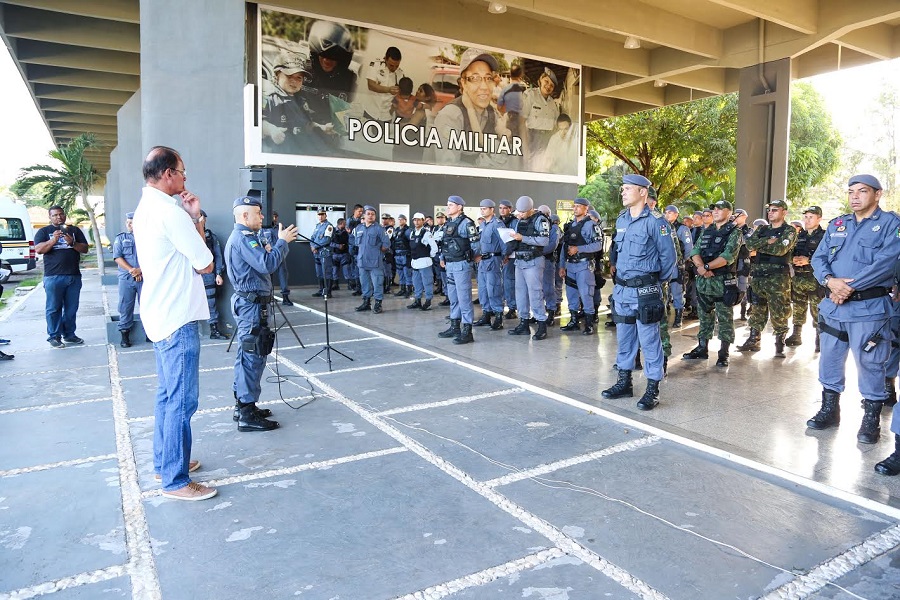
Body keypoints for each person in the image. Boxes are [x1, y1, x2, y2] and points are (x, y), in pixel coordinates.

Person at [132, 146, 216, 501]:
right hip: (177, 316)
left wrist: (191, 217)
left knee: (168, 397)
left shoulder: (147, 207)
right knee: (181, 401)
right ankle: (176, 480)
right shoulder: (170, 213)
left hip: (161, 313)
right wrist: (196, 220)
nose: (184, 179)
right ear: (167, 173)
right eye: (182, 172)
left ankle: (164, 462)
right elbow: (205, 263)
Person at [809, 175, 900, 451]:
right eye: (851, 192)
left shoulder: (890, 224)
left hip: (868, 308)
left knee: (871, 363)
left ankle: (870, 419)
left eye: (862, 191)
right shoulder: (838, 223)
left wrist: (849, 288)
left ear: (877, 194)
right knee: (830, 359)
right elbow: (818, 257)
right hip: (834, 307)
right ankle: (830, 409)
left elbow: (886, 263)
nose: (855, 197)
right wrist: (829, 282)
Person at [601, 174, 677, 411]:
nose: (622, 192)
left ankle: (652, 388)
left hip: (645, 291)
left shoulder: (657, 222)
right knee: (624, 338)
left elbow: (669, 258)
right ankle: (624, 382)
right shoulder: (622, 219)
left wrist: (654, 282)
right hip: (623, 290)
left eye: (627, 189)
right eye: (622, 189)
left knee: (650, 339)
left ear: (643, 192)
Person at [226, 196, 298, 432]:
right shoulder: (243, 238)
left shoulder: (248, 238)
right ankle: (246, 412)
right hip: (251, 306)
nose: (262, 216)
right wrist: (282, 242)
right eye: (258, 212)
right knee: (252, 356)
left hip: (252, 305)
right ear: (245, 216)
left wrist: (271, 247)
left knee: (248, 354)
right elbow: (267, 264)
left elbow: (261, 263)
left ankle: (244, 405)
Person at [683, 200, 743, 367]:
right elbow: (695, 251)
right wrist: (701, 267)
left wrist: (707, 267)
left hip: (723, 282)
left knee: (725, 318)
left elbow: (727, 256)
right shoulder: (707, 230)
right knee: (704, 317)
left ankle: (723, 353)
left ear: (729, 213)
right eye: (714, 209)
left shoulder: (734, 232)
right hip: (704, 282)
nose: (715, 211)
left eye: (720, 209)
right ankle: (702, 348)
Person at [737, 199, 797, 357]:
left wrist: (760, 246)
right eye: (769, 210)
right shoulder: (762, 229)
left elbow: (781, 249)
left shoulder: (789, 230)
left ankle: (779, 344)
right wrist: (767, 241)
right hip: (758, 277)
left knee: (779, 312)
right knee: (757, 310)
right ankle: (753, 340)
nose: (770, 213)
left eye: (775, 210)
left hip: (778, 279)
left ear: (784, 212)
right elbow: (749, 245)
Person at [434, 49, 511, 167]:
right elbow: (449, 170)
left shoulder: (492, 114)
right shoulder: (451, 116)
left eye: (488, 78)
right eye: (475, 78)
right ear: (463, 83)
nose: (484, 86)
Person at [262, 48, 334, 155]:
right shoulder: (269, 97)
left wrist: (322, 127)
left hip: (300, 153)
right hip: (278, 156)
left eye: (299, 78)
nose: (294, 81)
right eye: (289, 76)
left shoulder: (301, 100)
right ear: (277, 75)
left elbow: (306, 125)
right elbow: (259, 123)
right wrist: (271, 130)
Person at [34, 205, 88, 348]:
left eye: (61, 214)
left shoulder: (74, 230)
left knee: (71, 308)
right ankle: (54, 336)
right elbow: (39, 250)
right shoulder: (44, 231)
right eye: (55, 215)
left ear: (64, 215)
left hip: (73, 276)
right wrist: (53, 240)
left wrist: (72, 243)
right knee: (53, 308)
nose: (59, 217)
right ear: (50, 217)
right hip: (53, 276)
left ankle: (69, 334)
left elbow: (85, 249)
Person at [507, 196, 551, 340]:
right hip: (519, 261)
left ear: (531, 209)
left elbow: (544, 240)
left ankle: (541, 324)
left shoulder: (541, 220)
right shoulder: (519, 220)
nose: (520, 214)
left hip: (533, 261)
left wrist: (523, 238)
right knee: (520, 294)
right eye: (519, 211)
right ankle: (523, 323)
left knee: (535, 294)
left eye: (523, 212)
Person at [438, 196, 479, 344]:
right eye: (447, 204)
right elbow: (445, 243)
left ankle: (467, 331)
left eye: (450, 205)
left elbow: (476, 244)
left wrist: (472, 258)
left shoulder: (467, 223)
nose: (447, 207)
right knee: (453, 297)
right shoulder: (449, 223)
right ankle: (455, 325)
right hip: (449, 264)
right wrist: (442, 257)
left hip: (461, 264)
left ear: (459, 207)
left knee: (464, 298)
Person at [559, 197, 602, 334]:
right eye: (574, 206)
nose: (575, 208)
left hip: (584, 265)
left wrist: (579, 249)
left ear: (586, 209)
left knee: (585, 294)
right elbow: (564, 247)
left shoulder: (591, 225)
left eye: (579, 206)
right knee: (571, 295)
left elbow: (598, 245)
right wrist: (561, 266)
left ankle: (589, 324)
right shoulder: (570, 225)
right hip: (570, 265)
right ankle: (573, 321)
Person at [785, 205, 825, 350]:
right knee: (798, 307)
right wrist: (793, 259)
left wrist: (809, 260)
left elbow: (829, 256)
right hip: (799, 278)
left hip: (815, 279)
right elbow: (788, 252)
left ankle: (820, 338)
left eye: (811, 217)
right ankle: (796, 335)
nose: (807, 220)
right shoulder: (798, 236)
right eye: (806, 217)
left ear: (819, 219)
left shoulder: (825, 236)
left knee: (818, 310)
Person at [303, 20, 357, 127]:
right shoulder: (303, 73)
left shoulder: (349, 80)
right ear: (315, 53)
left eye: (333, 58)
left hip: (333, 134)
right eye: (323, 56)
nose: (327, 61)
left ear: (341, 60)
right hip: (306, 132)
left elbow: (353, 111)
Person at [473, 199, 505, 330]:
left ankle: (498, 316)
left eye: (485, 208)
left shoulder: (497, 224)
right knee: (483, 290)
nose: (482, 210)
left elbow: (505, 243)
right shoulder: (482, 225)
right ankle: (486, 314)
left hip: (493, 260)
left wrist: (504, 257)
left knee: (494, 289)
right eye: (481, 208)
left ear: (492, 209)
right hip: (482, 261)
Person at [112, 212, 143, 348]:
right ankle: (125, 335)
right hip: (127, 277)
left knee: (148, 305)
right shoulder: (121, 238)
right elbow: (117, 257)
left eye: (132, 222)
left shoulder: (148, 237)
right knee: (125, 306)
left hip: (145, 276)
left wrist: (140, 270)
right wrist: (132, 270)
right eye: (128, 222)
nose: (129, 224)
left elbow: (154, 257)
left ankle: (151, 333)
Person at [352, 205, 390, 314]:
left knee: (377, 283)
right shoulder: (359, 228)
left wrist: (378, 252)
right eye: (368, 214)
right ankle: (366, 303)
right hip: (362, 262)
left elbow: (386, 243)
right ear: (364, 215)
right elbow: (356, 244)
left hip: (375, 262)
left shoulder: (379, 229)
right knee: (364, 283)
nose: (370, 216)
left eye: (373, 214)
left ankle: (378, 304)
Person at [522, 67, 560, 168]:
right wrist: (525, 148)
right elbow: (521, 122)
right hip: (533, 139)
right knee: (530, 168)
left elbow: (557, 126)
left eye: (551, 85)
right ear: (540, 80)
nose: (548, 86)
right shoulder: (530, 95)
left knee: (545, 169)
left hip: (548, 140)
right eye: (546, 81)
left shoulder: (553, 103)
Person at [198, 210, 228, 340]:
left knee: (211, 303)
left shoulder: (210, 236)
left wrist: (219, 274)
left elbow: (218, 256)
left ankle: (214, 330)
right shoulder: (186, 235)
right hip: (191, 276)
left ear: (204, 219)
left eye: (201, 218)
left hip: (208, 274)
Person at [663, 204, 693, 328]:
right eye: (666, 212)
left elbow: (688, 248)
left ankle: (678, 317)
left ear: (676, 215)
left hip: (676, 265)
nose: (667, 214)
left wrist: (682, 261)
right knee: (663, 291)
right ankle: (663, 315)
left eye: (670, 212)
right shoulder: (662, 226)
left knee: (677, 291)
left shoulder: (682, 229)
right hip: (664, 265)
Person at [362, 46, 403, 121]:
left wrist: (392, 109)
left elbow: (400, 95)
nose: (394, 68)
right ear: (385, 59)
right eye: (391, 65)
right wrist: (388, 90)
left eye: (397, 66)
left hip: (386, 115)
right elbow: (371, 85)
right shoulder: (375, 65)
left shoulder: (400, 73)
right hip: (371, 111)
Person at [407, 212, 439, 311]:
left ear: (423, 221)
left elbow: (434, 248)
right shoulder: (412, 233)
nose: (416, 222)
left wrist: (429, 256)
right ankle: (417, 300)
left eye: (418, 220)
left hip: (425, 263)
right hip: (415, 263)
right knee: (416, 283)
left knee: (427, 283)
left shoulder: (426, 233)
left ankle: (428, 301)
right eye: (415, 220)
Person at [262, 211, 293, 306]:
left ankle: (285, 297)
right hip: (269, 257)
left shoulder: (280, 229)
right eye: (273, 217)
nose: (274, 219)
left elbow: (284, 243)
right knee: (268, 278)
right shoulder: (263, 229)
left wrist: (283, 255)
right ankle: (269, 296)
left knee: (283, 277)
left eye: (276, 217)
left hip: (280, 256)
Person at [498, 199, 518, 319]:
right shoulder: (498, 221)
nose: (502, 210)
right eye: (500, 208)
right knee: (499, 283)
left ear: (510, 209)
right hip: (499, 256)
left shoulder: (514, 222)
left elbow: (513, 240)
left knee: (509, 282)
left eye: (505, 208)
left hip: (510, 256)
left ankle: (512, 307)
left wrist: (506, 254)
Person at [497, 64, 526, 139]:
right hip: (521, 119)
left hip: (510, 118)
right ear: (520, 75)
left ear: (510, 75)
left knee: (510, 140)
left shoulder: (505, 89)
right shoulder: (524, 89)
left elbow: (499, 107)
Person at [732, 208, 752, 321]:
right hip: (732, 262)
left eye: (738, 215)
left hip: (742, 261)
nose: (735, 217)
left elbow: (746, 241)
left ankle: (743, 312)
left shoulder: (748, 231)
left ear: (744, 217)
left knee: (742, 287)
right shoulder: (730, 229)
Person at [310, 209, 334, 297]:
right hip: (316, 253)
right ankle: (321, 290)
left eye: (322, 214)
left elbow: (327, 240)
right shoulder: (317, 226)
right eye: (319, 215)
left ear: (325, 215)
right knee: (319, 272)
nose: (320, 216)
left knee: (327, 272)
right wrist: (312, 246)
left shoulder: (329, 226)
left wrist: (315, 246)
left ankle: (328, 291)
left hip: (325, 253)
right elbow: (312, 238)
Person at [391, 214, 413, 298]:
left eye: (402, 219)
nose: (400, 221)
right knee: (400, 273)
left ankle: (409, 290)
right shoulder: (396, 230)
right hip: (397, 255)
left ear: (405, 220)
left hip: (405, 255)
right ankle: (402, 289)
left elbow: (411, 242)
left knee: (407, 272)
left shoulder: (408, 231)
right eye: (399, 219)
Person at [330, 217, 351, 290]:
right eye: (344, 223)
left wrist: (349, 233)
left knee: (346, 270)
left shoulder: (346, 231)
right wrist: (338, 246)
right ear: (341, 223)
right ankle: (335, 285)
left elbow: (350, 241)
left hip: (344, 253)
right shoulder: (333, 231)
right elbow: (329, 242)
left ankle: (349, 284)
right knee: (335, 270)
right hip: (335, 254)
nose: (345, 225)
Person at [347, 204, 364, 295]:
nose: (361, 213)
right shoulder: (349, 221)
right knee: (354, 267)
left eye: (362, 211)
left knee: (360, 267)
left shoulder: (362, 221)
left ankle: (360, 288)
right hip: (352, 246)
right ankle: (357, 287)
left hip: (360, 247)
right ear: (354, 211)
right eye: (359, 211)